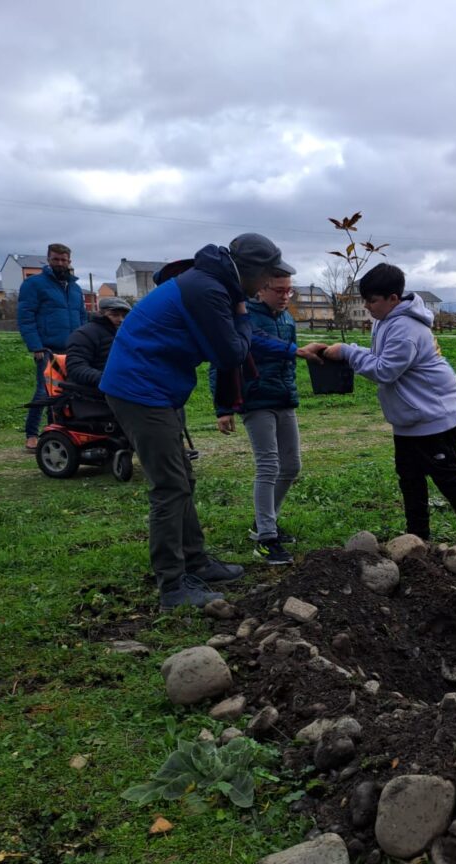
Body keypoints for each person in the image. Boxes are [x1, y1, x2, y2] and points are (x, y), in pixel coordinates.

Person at [100, 233, 327, 610]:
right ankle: (173, 588)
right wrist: (240, 314)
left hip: (158, 387)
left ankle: (197, 562)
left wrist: (272, 338)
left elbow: (239, 343)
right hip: (139, 389)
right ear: (252, 272)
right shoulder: (210, 291)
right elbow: (231, 353)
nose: (267, 285)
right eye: (267, 277)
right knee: (170, 487)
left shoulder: (213, 283)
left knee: (182, 480)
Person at [321, 263, 456, 546]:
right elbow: (379, 359)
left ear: (393, 299)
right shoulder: (386, 321)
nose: (367, 306)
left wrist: (348, 353)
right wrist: (349, 351)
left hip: (433, 415)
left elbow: (385, 370)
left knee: (448, 477)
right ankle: (417, 538)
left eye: (372, 300)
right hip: (409, 418)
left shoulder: (406, 327)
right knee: (410, 479)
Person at [210, 272, 304, 566]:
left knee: (291, 465)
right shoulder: (244, 318)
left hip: (283, 399)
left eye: (289, 290)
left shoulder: (287, 319)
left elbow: (290, 361)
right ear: (261, 290)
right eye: (279, 290)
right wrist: (223, 407)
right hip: (256, 400)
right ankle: (266, 540)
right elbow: (222, 362)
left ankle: (265, 522)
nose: (285, 296)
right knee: (268, 465)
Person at [17, 243, 87, 450]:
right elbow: (26, 317)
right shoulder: (34, 284)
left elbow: (81, 316)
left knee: (69, 392)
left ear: (69, 262)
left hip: (72, 348)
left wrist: (83, 342)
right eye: (56, 259)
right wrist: (36, 346)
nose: (60, 263)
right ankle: (31, 434)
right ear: (48, 260)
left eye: (64, 260)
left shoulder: (74, 287)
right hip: (46, 348)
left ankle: (56, 431)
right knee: (44, 392)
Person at [64, 297, 132, 390]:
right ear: (101, 314)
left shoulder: (127, 333)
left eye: (124, 316)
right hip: (97, 390)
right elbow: (76, 368)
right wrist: (107, 379)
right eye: (115, 315)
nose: (121, 319)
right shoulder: (84, 334)